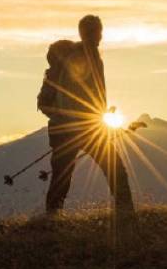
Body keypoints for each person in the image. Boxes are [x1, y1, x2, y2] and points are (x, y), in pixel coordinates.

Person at [39, 15, 136, 240]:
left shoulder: (71, 58)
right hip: (86, 127)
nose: (100, 36)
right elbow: (88, 93)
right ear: (91, 33)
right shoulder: (87, 57)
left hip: (64, 129)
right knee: (115, 170)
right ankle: (126, 216)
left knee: (62, 176)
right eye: (97, 32)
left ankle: (51, 220)